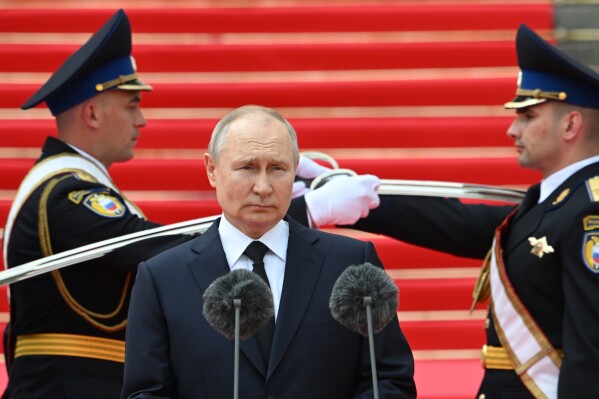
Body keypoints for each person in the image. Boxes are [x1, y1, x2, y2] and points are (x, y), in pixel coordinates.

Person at [1, 10, 380, 399]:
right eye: (132, 105)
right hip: (64, 387)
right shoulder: (66, 194)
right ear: (93, 112)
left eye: (276, 169)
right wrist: (304, 212)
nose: (142, 119)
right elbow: (168, 249)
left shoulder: (70, 185)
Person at [335, 24, 599, 399]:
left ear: (571, 124)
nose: (512, 129)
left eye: (528, 117)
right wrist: (364, 202)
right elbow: (459, 224)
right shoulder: (555, 201)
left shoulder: (589, 212)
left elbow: (592, 352)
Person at [120, 105, 416, 399]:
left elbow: (389, 380)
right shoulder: (162, 278)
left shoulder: (351, 263)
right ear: (212, 169)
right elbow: (146, 392)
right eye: (247, 167)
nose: (263, 187)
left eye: (277, 168)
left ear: (295, 169)